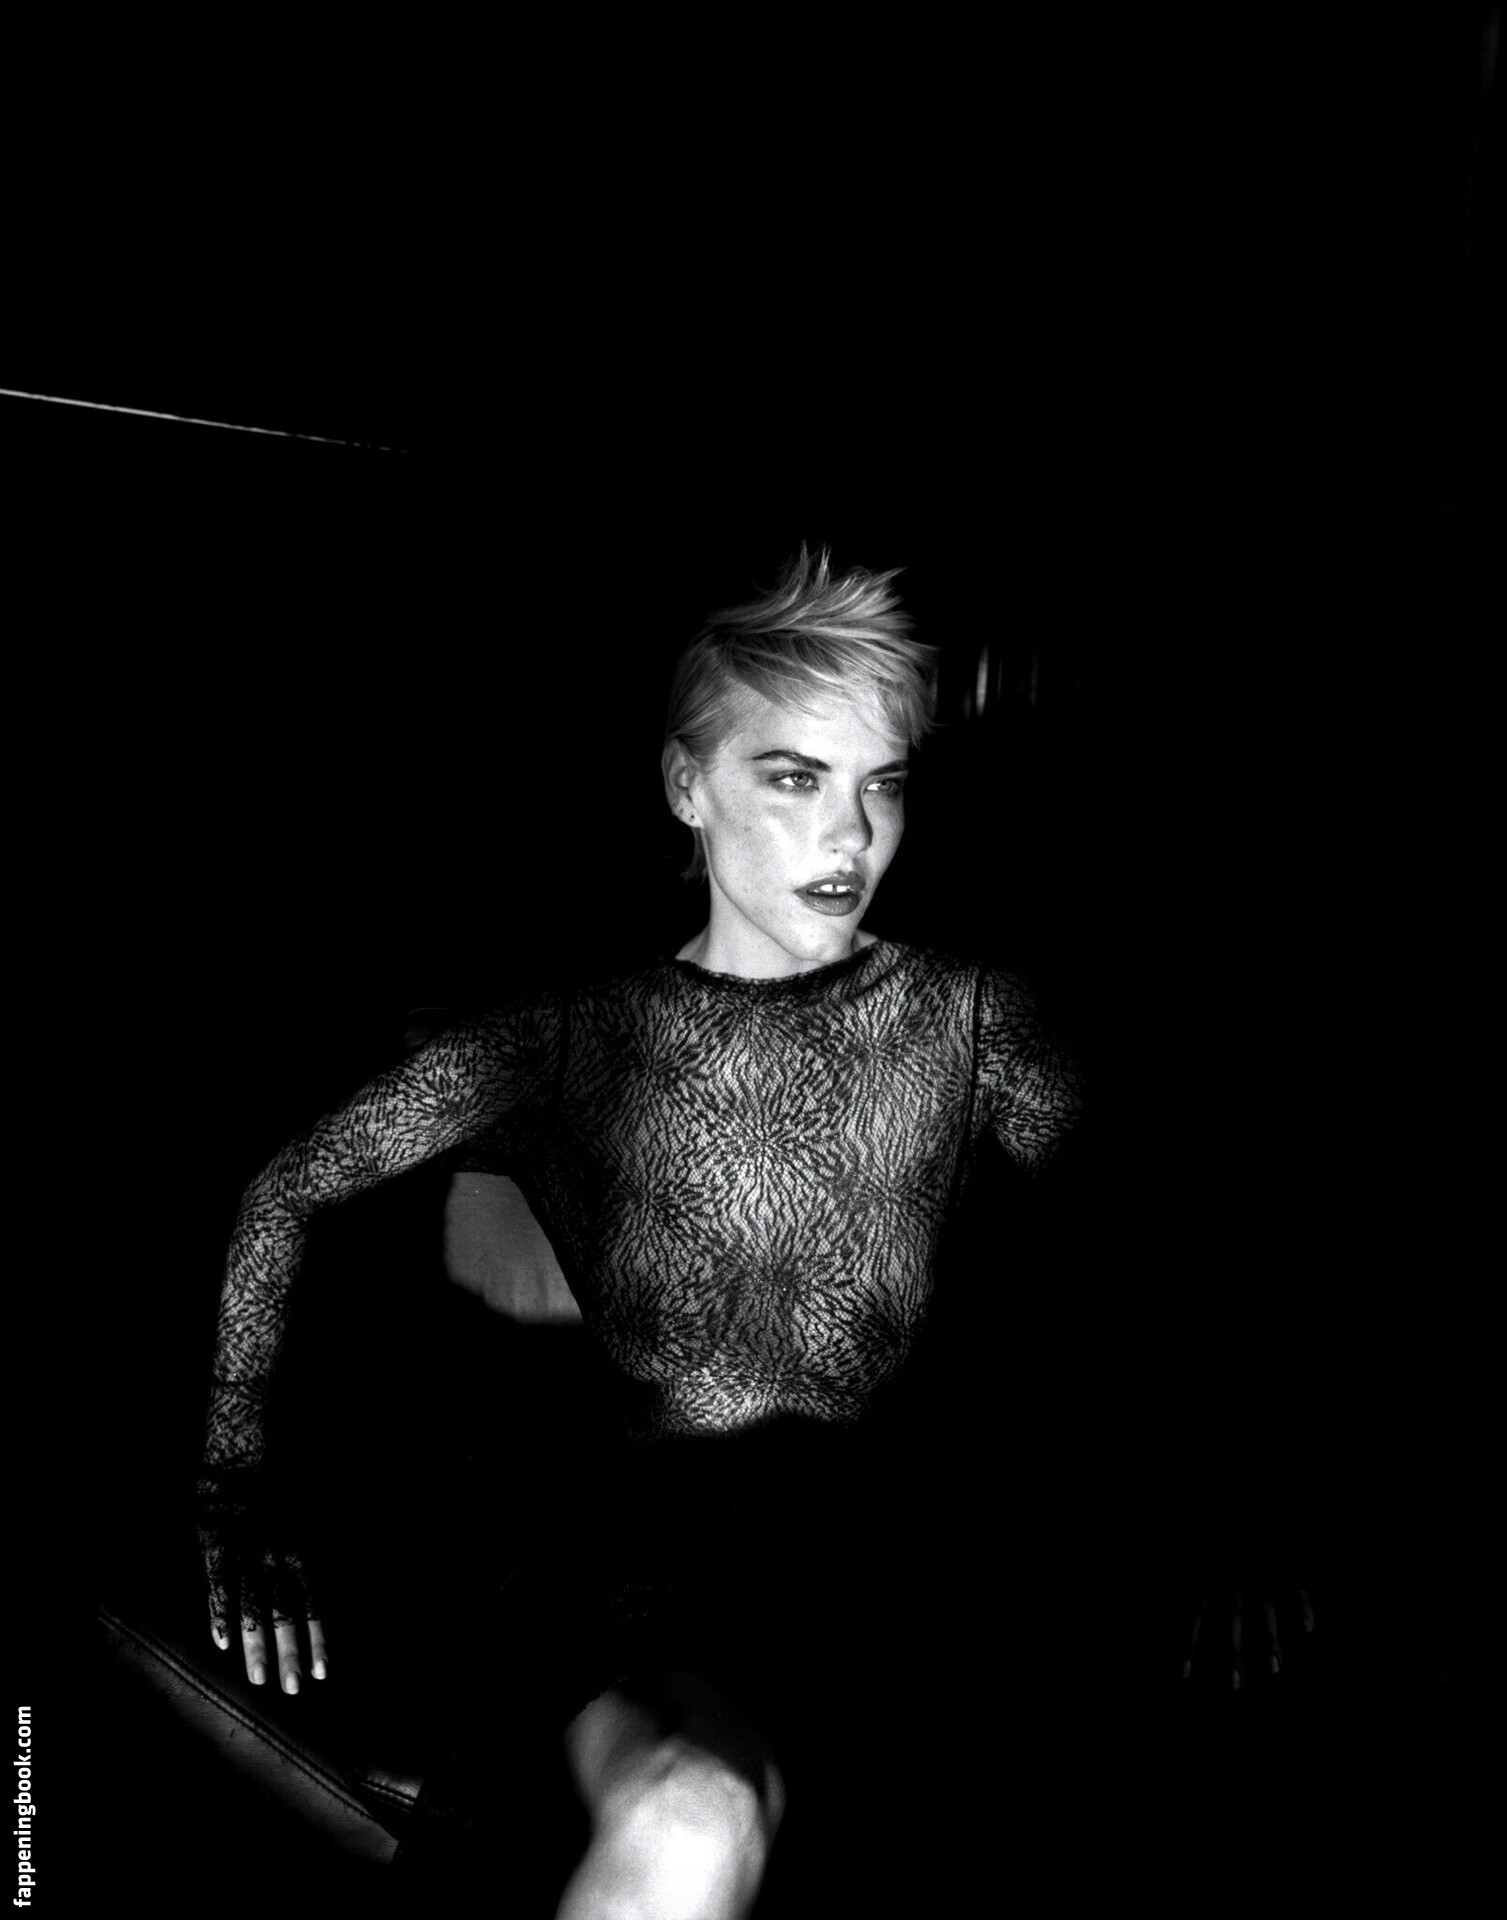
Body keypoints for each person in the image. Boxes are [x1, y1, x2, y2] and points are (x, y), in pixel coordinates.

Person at [196, 545, 1085, 1918]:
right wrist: (235, 1487)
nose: (849, 837)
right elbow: (285, 1188)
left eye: (882, 784)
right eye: (794, 779)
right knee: (687, 1812)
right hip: (629, 1593)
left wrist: (1243, 1502)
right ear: (689, 785)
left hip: (876, 1578)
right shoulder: (571, 1038)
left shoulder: (968, 1021)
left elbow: (1164, 1242)